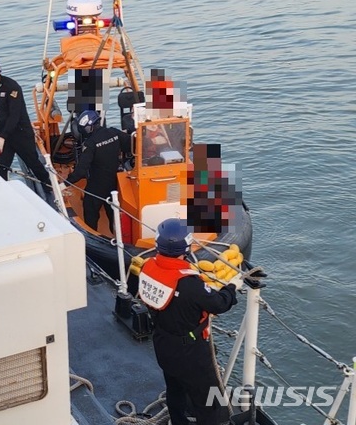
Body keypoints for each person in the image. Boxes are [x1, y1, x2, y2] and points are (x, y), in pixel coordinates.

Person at [138, 218, 242, 425]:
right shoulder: (190, 284)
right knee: (208, 399)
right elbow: (219, 304)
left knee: (174, 387)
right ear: (186, 246)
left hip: (163, 343)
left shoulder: (147, 268)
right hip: (190, 352)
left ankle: (178, 421)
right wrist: (231, 288)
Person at [0, 57, 52, 195]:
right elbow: (2, 111)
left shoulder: (13, 87)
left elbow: (14, 116)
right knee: (1, 166)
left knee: (33, 163)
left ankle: (50, 189)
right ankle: (2, 193)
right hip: (4, 134)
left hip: (20, 134)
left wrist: (2, 137)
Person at [64, 110, 130, 231]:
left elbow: (81, 170)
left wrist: (65, 183)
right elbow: (131, 145)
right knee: (113, 210)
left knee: (90, 209)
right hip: (116, 181)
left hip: (97, 184)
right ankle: (116, 234)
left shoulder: (90, 144)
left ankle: (92, 234)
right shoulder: (114, 132)